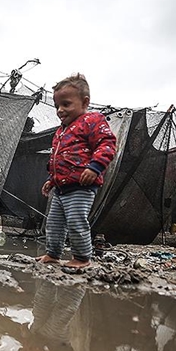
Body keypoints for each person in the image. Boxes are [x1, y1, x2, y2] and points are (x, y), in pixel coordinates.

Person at [37, 73, 117, 269]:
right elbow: (58, 159)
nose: (60, 110)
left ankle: (82, 257)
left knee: (75, 220)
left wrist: (95, 167)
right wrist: (52, 179)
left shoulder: (92, 120)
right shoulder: (61, 131)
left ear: (85, 102)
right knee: (54, 224)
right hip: (61, 188)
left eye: (66, 104)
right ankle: (53, 254)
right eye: (57, 106)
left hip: (82, 186)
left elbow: (107, 144)